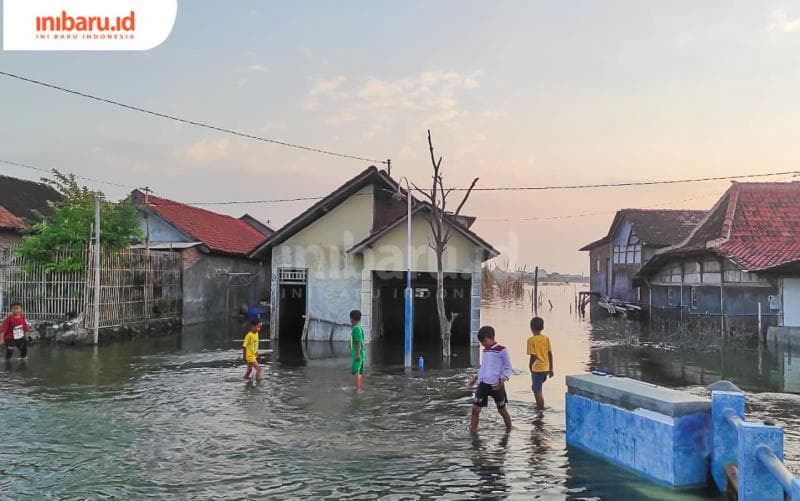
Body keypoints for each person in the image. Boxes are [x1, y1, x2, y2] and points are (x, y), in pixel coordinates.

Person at [468, 325, 513, 433]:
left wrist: (501, 381)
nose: (483, 344)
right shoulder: (485, 351)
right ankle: (473, 432)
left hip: (496, 385)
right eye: (481, 342)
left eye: (484, 341)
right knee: (475, 409)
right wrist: (475, 379)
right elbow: (484, 367)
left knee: (501, 410)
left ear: (491, 338)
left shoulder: (502, 350)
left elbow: (508, 367)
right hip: (483, 384)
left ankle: (509, 429)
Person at [526, 316, 554, 411]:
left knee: (537, 390)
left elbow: (533, 356)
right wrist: (551, 368)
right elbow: (550, 354)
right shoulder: (546, 338)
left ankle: (540, 409)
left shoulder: (531, 340)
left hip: (537, 368)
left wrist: (530, 366)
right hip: (545, 368)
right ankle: (539, 405)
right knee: (536, 387)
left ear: (531, 327)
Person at [350, 309, 365, 393]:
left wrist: (357, 354)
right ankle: (360, 387)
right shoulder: (359, 327)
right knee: (359, 371)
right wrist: (351, 344)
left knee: (356, 372)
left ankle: (358, 389)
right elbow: (358, 340)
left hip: (358, 353)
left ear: (352, 319)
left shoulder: (355, 329)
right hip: (362, 353)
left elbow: (359, 341)